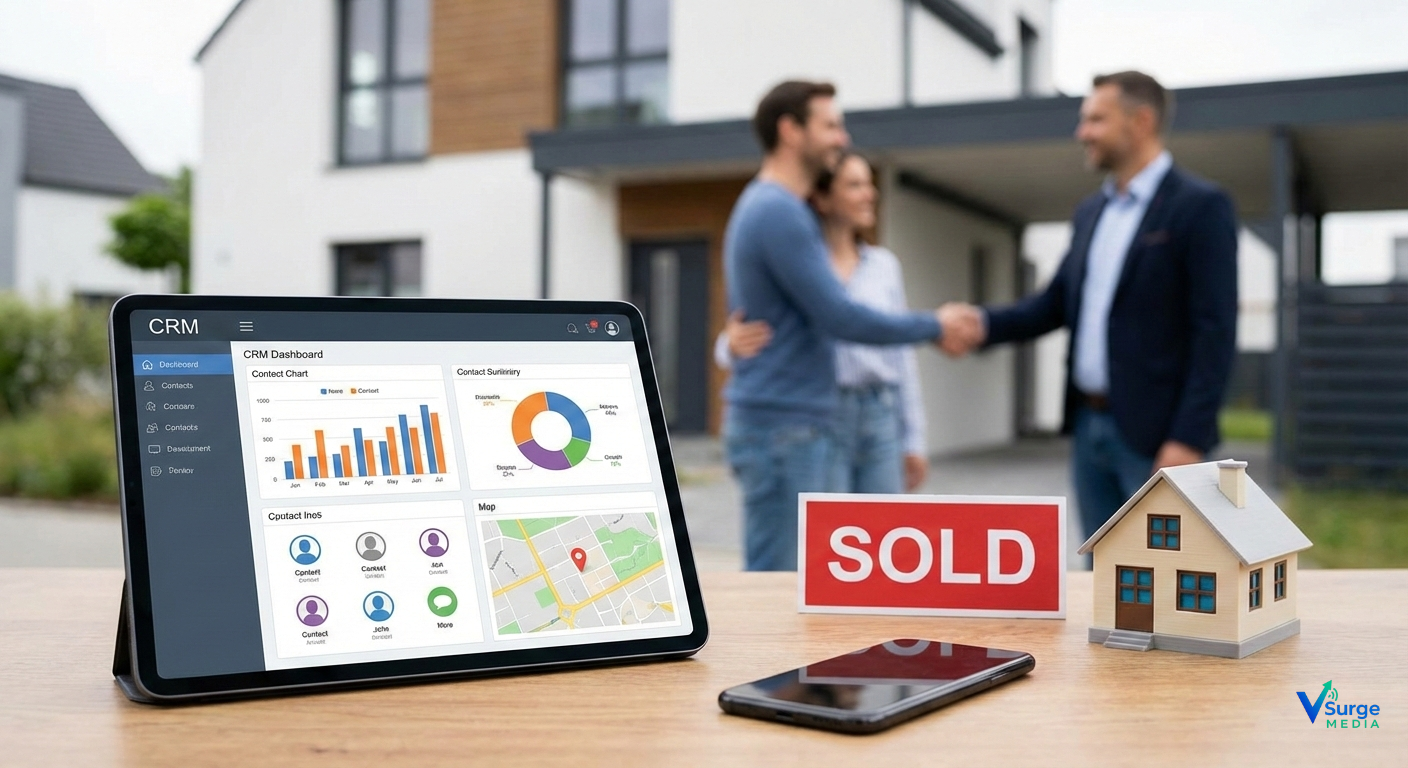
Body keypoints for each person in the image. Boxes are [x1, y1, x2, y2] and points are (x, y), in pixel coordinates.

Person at [940, 71, 1238, 542]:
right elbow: (1054, 304)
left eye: (1096, 120)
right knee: (1103, 573)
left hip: (1157, 438)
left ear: (1140, 121)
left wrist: (1189, 437)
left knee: (1160, 574)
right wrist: (981, 324)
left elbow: (1215, 331)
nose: (1083, 133)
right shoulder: (1090, 212)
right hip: (1089, 427)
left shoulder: (1200, 206)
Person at [723, 80, 965, 572]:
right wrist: (935, 325)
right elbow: (839, 315)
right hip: (783, 428)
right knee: (779, 585)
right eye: (830, 125)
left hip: (794, 424)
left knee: (813, 581)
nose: (840, 137)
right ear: (791, 131)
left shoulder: (778, 210)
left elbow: (775, 319)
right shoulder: (778, 211)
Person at [718, 151, 929, 495]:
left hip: (881, 412)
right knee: (828, 536)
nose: (869, 194)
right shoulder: (801, 263)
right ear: (823, 198)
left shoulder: (883, 266)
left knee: (881, 534)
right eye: (855, 185)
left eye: (869, 184)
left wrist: (914, 438)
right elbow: (754, 328)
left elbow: (901, 356)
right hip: (824, 414)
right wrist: (728, 345)